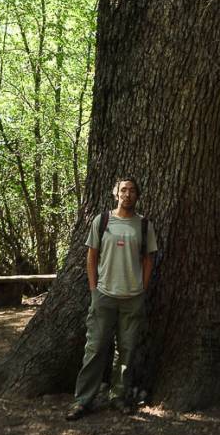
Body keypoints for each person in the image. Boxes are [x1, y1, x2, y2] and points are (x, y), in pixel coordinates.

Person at [65, 176, 158, 420]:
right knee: (95, 349)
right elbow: (91, 256)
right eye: (123, 190)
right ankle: (83, 400)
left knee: (126, 350)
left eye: (132, 191)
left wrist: (142, 288)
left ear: (137, 196)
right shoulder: (102, 221)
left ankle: (118, 396)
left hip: (133, 298)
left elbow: (149, 259)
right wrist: (94, 290)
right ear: (115, 194)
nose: (127, 194)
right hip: (104, 295)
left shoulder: (144, 225)